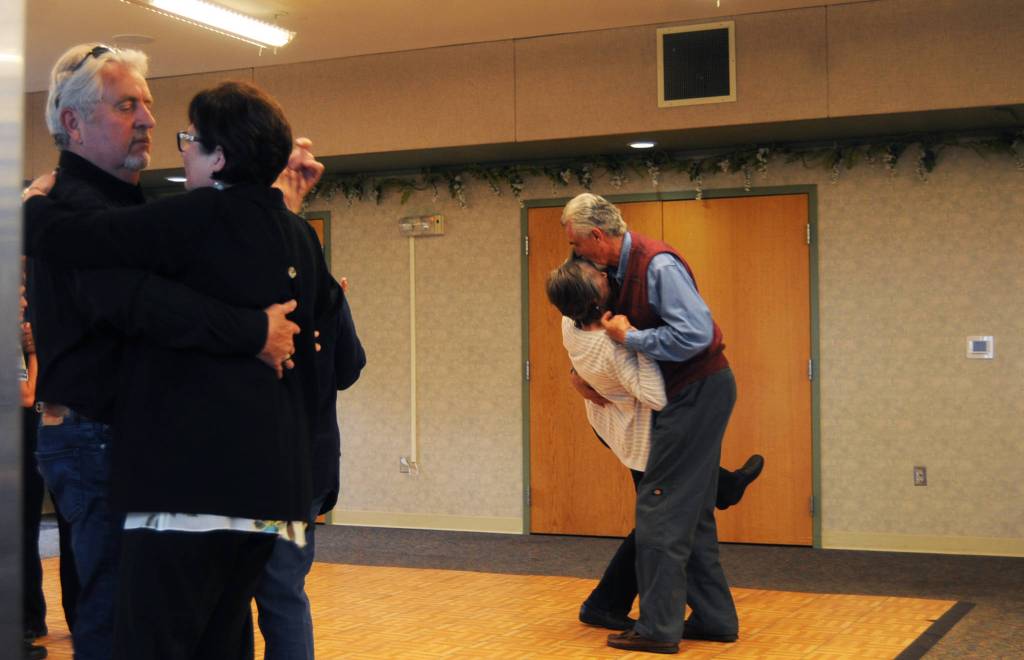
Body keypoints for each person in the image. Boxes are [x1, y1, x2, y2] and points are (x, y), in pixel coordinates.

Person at [24, 79, 342, 659]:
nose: (177, 147)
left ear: (219, 157)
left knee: (151, 638)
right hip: (272, 492)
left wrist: (33, 205)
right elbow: (333, 363)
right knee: (222, 636)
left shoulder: (198, 218)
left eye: (190, 140)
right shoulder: (297, 233)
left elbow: (83, 243)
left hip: (194, 488)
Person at [561, 192, 740, 654]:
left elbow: (697, 334)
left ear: (597, 236)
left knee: (659, 510)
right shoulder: (616, 273)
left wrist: (632, 337)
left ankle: (658, 629)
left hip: (696, 390)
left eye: (578, 247)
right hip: (694, 392)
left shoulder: (656, 266)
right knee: (692, 513)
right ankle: (716, 619)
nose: (576, 254)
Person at [546, 257, 763, 634]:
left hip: (613, 423)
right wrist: (634, 341)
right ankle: (603, 604)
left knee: (663, 511)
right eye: (597, 276)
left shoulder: (570, 321)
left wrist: (578, 375)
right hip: (635, 432)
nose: (604, 273)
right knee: (659, 520)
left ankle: (605, 602)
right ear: (594, 298)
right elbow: (654, 395)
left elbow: (582, 359)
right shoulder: (610, 343)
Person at [255, 276, 366, 660]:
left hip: (262, 471)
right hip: (310, 465)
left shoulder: (242, 288)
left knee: (260, 589)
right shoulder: (326, 291)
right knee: (283, 587)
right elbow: (350, 369)